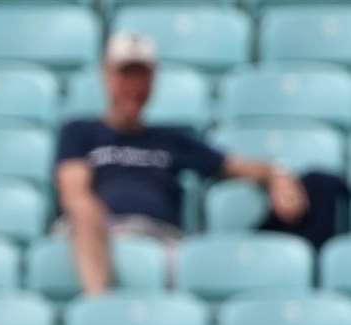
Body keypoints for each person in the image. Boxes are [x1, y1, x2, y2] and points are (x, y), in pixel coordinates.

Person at [57, 31, 349, 295]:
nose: (133, 86)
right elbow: (75, 192)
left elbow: (236, 165)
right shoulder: (81, 132)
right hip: (100, 229)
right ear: (107, 76)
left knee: (319, 185)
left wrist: (277, 176)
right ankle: (100, 308)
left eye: (141, 75)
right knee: (84, 214)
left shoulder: (171, 138)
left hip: (160, 236)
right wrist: (96, 220)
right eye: (125, 75)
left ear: (153, 79)